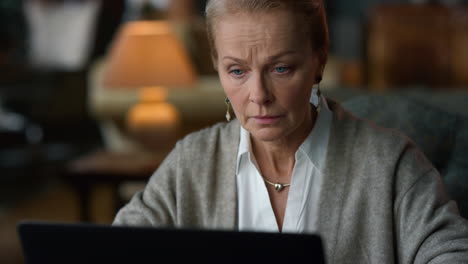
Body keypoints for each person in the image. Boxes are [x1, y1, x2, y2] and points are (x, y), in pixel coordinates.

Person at [113, 0, 468, 262]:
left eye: (281, 68)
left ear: (319, 58)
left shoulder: (390, 163)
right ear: (216, 65)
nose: (259, 96)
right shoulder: (191, 162)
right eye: (237, 71)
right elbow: (117, 250)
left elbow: (450, 252)